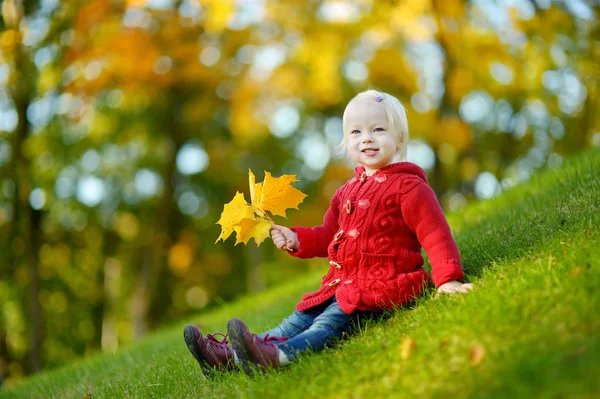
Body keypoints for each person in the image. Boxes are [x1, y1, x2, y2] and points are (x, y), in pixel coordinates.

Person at [184, 89, 474, 377]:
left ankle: (280, 356)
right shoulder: (345, 192)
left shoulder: (409, 187)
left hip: (379, 287)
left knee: (327, 324)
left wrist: (448, 280)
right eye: (356, 132)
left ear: (399, 139)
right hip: (339, 286)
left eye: (378, 129)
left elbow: (435, 234)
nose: (367, 138)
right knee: (294, 322)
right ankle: (230, 358)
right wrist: (297, 238)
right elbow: (326, 235)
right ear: (346, 141)